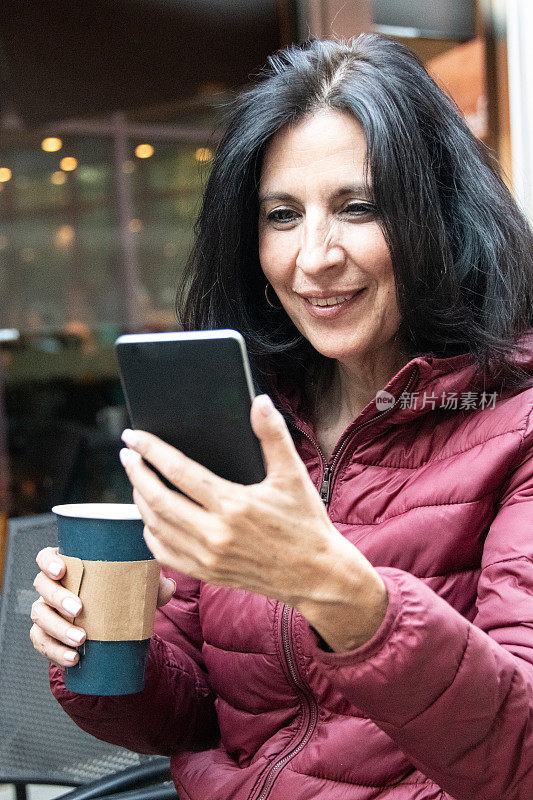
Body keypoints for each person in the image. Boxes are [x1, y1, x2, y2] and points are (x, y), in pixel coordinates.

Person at [30, 35, 533, 800]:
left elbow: (519, 756)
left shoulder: (515, 426)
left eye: (357, 207)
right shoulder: (251, 415)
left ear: (438, 213)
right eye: (281, 215)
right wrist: (106, 645)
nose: (313, 257)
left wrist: (339, 593)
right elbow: (199, 718)